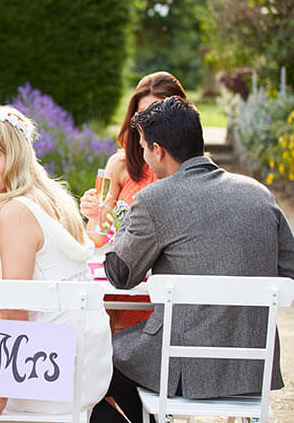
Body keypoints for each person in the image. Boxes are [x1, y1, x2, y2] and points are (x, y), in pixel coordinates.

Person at [92, 96, 294, 423]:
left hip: (180, 368)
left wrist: (125, 220)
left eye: (143, 147)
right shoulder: (259, 194)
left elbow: (119, 275)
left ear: (158, 150)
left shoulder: (154, 199)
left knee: (88, 369)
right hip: (250, 370)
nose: (142, 155)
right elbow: (289, 270)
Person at [0, 106, 113, 416]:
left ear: (17, 156)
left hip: (52, 370)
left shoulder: (14, 211)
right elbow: (18, 305)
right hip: (86, 363)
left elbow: (15, 311)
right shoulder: (49, 196)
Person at [80, 71, 188, 333]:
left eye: (158, 113)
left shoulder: (188, 168)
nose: (151, 126)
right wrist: (92, 215)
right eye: (143, 116)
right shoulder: (119, 165)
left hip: (170, 290)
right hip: (126, 283)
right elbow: (99, 238)